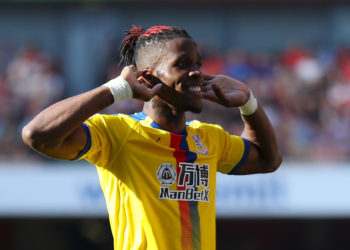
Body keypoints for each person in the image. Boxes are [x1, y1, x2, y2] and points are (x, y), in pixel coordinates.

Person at [22, 25, 282, 250]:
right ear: (147, 76)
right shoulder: (118, 134)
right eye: (182, 64)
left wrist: (248, 102)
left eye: (197, 64)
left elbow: (267, 159)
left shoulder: (209, 138)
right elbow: (38, 135)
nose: (196, 73)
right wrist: (116, 89)